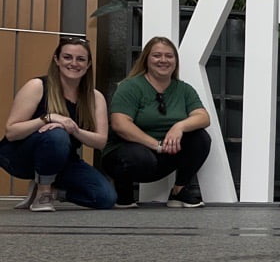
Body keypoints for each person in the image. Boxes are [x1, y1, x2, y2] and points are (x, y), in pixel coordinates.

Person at [0, 35, 116, 211]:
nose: (74, 63)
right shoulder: (37, 86)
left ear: (88, 64)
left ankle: (53, 191)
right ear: (57, 60)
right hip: (19, 156)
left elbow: (100, 141)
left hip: (61, 159)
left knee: (106, 198)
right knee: (57, 134)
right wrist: (49, 118)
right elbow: (11, 132)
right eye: (67, 57)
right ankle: (43, 194)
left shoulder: (95, 97)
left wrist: (72, 128)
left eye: (81, 59)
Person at [102, 36, 211, 208]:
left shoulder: (184, 89)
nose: (163, 60)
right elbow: (120, 124)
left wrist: (179, 126)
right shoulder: (130, 86)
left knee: (201, 137)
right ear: (146, 59)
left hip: (163, 154)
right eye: (157, 55)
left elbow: (203, 117)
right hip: (128, 154)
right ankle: (123, 193)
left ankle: (179, 191)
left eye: (169, 56)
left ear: (175, 61)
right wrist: (156, 145)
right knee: (139, 157)